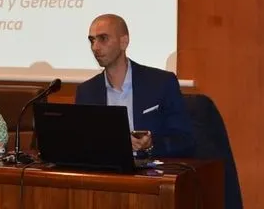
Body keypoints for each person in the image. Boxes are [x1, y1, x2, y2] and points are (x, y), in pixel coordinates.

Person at [74, 14, 195, 158]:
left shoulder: (161, 83)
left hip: (149, 173)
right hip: (107, 172)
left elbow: (185, 139)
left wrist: (151, 144)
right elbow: (83, 143)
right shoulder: (87, 91)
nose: (95, 47)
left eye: (103, 39)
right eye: (92, 40)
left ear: (124, 42)